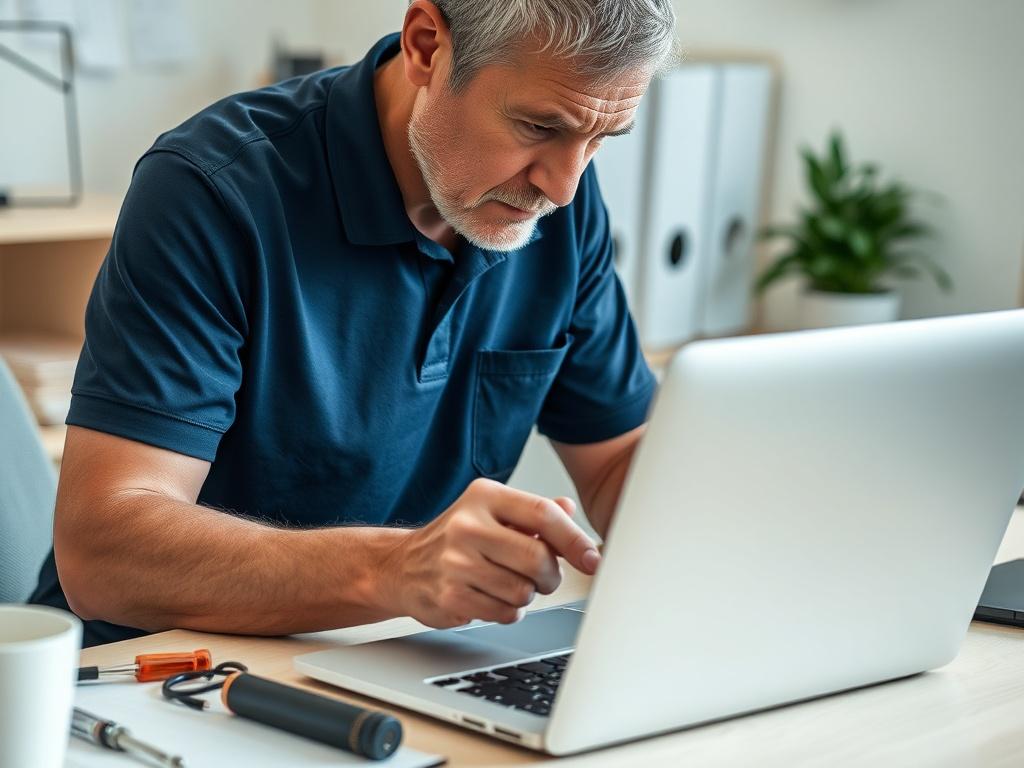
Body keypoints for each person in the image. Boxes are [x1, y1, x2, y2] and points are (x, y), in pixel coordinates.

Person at [30, 0, 676, 647]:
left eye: (598, 140)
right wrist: (396, 568)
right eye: (538, 127)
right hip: (156, 675)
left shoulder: (556, 205)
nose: (563, 186)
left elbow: (620, 464)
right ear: (426, 45)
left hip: (394, 657)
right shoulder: (213, 192)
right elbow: (104, 556)